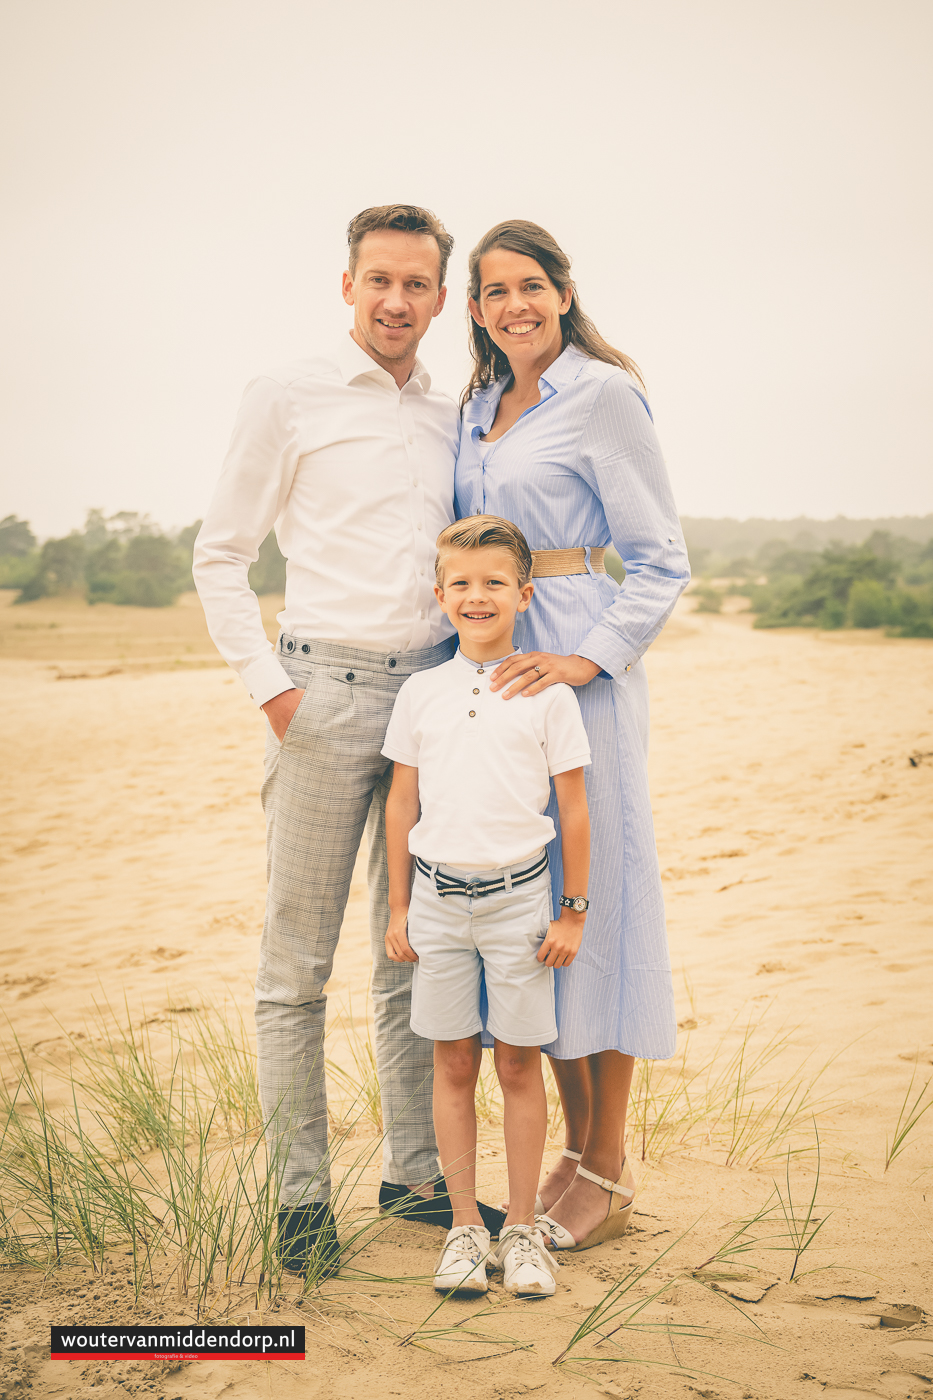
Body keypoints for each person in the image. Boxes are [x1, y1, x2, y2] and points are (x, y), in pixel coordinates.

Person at [192, 204, 504, 1278]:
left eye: (418, 285)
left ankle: (415, 1174)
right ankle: (299, 1199)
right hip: (321, 693)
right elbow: (219, 556)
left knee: (406, 950)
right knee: (294, 970)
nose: (395, 302)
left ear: (442, 298)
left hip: (431, 701)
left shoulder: (453, 407)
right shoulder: (286, 396)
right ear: (347, 284)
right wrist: (276, 695)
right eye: (379, 280)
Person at [454, 220, 691, 1252]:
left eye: (533, 285)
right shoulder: (475, 407)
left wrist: (587, 659)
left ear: (563, 291)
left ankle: (608, 1159)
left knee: (604, 898)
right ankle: (576, 1146)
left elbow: (662, 559)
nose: (517, 304)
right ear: (475, 308)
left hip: (577, 670)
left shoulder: (603, 392)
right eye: (496, 290)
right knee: (528, 902)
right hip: (494, 674)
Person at [382, 516, 592, 1296]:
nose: (477, 596)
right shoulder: (420, 692)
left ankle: (522, 1229)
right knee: (451, 1058)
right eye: (461, 583)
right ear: (439, 595)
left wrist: (571, 911)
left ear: (524, 596)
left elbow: (572, 809)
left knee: (517, 1060)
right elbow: (402, 802)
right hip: (437, 905)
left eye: (494, 582)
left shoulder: (546, 695)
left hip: (519, 905)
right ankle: (466, 1226)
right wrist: (399, 908)